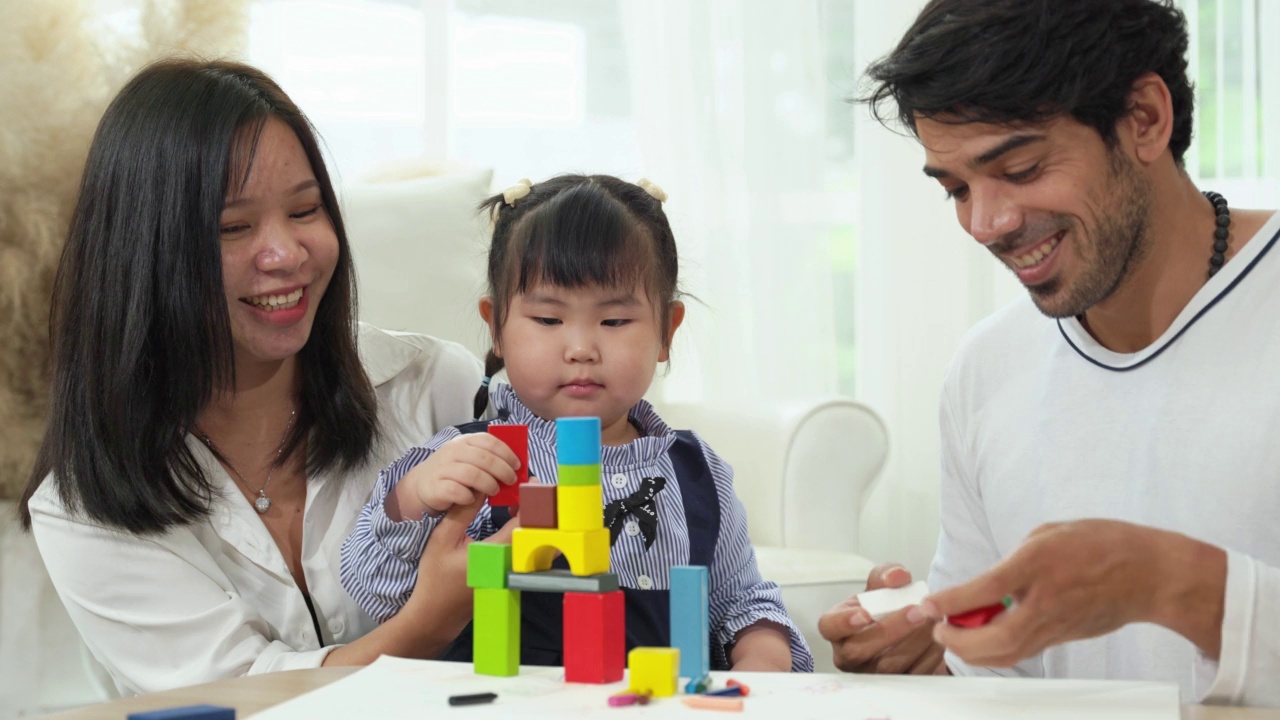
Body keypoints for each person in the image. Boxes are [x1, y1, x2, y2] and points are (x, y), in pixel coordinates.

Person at [817, 0, 1280, 705]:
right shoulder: (987, 369)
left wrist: (1168, 582)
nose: (985, 222)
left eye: (1022, 168)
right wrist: (935, 649)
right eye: (957, 189)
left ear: (1145, 120)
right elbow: (1005, 679)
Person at [20, 58, 488, 696]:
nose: (286, 255)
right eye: (233, 227)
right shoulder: (85, 508)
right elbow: (238, 696)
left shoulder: (434, 387)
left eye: (305, 210)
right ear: (144, 252)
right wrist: (429, 622)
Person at [340, 174, 814, 672]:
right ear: (496, 326)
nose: (582, 348)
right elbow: (377, 597)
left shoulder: (697, 472)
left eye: (614, 322)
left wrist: (764, 660)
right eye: (548, 320)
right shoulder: (471, 461)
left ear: (665, 333)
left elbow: (741, 602)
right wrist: (411, 500)